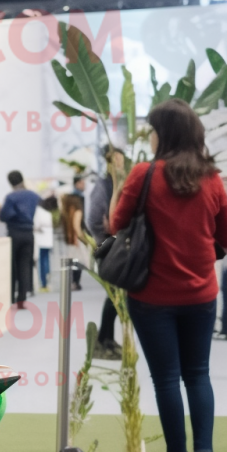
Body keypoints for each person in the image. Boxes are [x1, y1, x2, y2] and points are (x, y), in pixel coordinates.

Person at [110, 99, 227, 452]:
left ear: (165, 132)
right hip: (202, 294)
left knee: (166, 379)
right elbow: (224, 238)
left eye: (153, 129)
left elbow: (116, 225)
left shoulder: (145, 174)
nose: (151, 135)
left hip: (151, 297)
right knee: (198, 374)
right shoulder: (213, 179)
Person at [88, 148, 126, 359]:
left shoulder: (121, 184)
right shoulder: (103, 186)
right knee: (113, 296)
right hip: (109, 246)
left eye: (121, 160)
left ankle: (107, 339)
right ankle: (104, 341)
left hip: (121, 245)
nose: (119, 165)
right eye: (116, 161)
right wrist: (109, 231)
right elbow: (94, 219)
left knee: (116, 297)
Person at [0, 170, 41, 309]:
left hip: (14, 233)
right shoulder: (33, 196)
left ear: (10, 182)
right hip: (29, 233)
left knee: (12, 266)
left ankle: (11, 297)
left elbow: (5, 215)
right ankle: (22, 299)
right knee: (25, 266)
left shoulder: (11, 197)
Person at [60, 192, 85, 290]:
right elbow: (77, 228)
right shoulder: (77, 211)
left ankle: (71, 282)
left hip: (69, 241)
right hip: (76, 241)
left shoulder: (66, 213)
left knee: (72, 263)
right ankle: (76, 282)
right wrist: (82, 240)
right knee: (78, 262)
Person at [34, 198, 54, 292]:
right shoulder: (48, 213)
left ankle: (43, 283)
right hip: (48, 241)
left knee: (42, 262)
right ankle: (47, 281)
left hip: (41, 241)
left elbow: (35, 225)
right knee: (47, 261)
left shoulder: (38, 212)